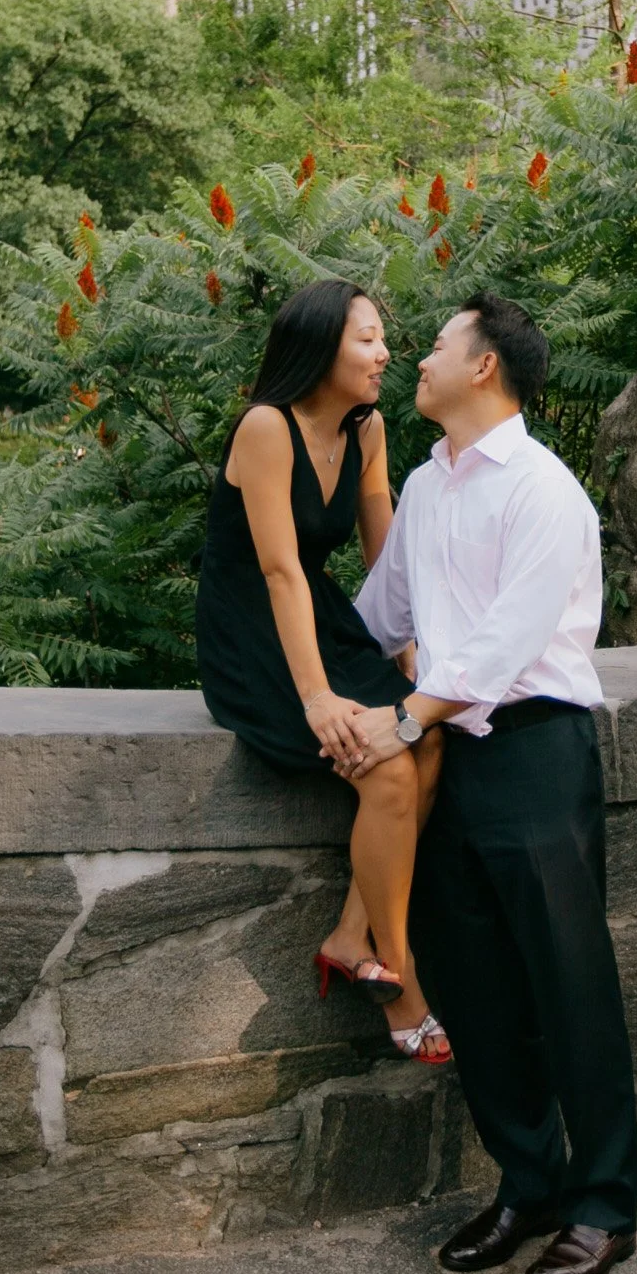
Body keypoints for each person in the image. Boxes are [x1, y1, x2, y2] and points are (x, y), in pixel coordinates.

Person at [347, 292, 637, 1274]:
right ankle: (529, 1188)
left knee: (569, 989)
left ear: (483, 368)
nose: (417, 359)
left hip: (533, 750)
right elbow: (380, 615)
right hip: (446, 762)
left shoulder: (545, 491)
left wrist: (404, 717)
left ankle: (604, 1209)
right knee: (473, 983)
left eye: (435, 345)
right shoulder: (428, 488)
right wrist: (308, 688)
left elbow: (510, 642)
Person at [195, 278, 450, 1064]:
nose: (385, 354)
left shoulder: (365, 430)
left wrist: (414, 667)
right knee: (389, 775)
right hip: (254, 633)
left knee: (431, 741)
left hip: (326, 618)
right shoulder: (266, 427)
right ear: (320, 347)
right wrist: (317, 698)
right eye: (368, 339)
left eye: (383, 338)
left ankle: (349, 935)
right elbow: (278, 571)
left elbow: (388, 560)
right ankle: (401, 982)